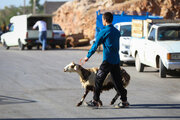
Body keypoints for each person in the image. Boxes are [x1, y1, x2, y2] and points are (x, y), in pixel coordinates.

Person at [84, 12, 129, 108]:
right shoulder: (117, 32)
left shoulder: (104, 32)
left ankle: (95, 101)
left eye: (103, 20)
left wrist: (88, 56)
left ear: (104, 20)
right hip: (116, 60)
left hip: (107, 61)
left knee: (98, 79)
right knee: (117, 82)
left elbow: (95, 45)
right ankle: (124, 101)